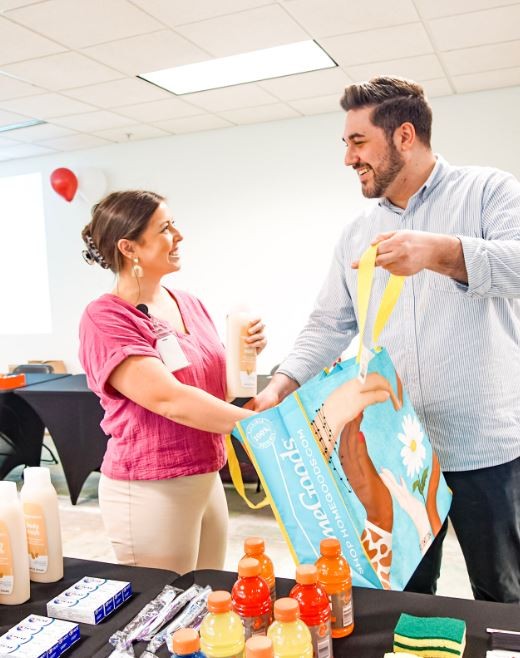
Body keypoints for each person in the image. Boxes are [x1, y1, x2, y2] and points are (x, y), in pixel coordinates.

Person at [253, 76, 520, 603]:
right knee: (406, 595)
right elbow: (330, 324)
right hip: (396, 452)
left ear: (403, 136)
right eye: (346, 144)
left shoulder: (489, 191)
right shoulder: (356, 233)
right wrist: (280, 385)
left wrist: (441, 253)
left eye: (357, 142)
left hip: (485, 447)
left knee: (504, 592)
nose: (348, 159)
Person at [78, 190, 268, 574]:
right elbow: (170, 400)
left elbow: (215, 394)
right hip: (150, 488)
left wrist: (244, 356)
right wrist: (268, 431)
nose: (179, 235)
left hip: (205, 478)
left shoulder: (189, 304)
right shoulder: (106, 318)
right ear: (129, 247)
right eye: (165, 228)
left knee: (207, 601)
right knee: (163, 614)